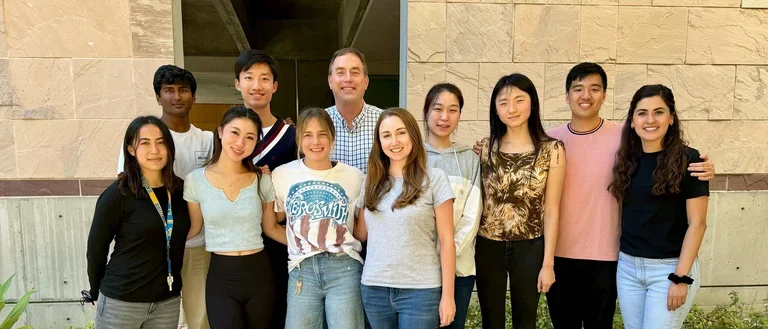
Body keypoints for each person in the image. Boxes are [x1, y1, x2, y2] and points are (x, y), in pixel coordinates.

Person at [472, 63, 716, 329]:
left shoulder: (626, 136)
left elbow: (662, 151)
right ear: (567, 96)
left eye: (594, 89)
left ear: (604, 95)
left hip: (606, 256)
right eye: (578, 89)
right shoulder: (547, 142)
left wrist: (701, 164)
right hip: (559, 254)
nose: (585, 96)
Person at [117, 65, 214, 329]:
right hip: (153, 248)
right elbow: (127, 191)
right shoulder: (142, 140)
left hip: (196, 244)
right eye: (169, 90)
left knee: (199, 318)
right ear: (158, 97)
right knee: (158, 319)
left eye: (183, 90)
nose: (177, 96)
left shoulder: (208, 141)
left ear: (194, 96)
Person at [610, 85, 708, 329]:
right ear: (632, 120)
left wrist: (680, 277)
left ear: (671, 118)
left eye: (659, 112)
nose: (650, 120)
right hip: (629, 268)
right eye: (642, 113)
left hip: (669, 268)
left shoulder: (690, 160)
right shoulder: (626, 159)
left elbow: (698, 224)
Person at [183, 105, 287, 329]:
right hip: (221, 278)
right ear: (220, 131)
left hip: (260, 276)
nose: (240, 143)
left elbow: (271, 228)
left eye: (250, 137)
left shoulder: (262, 179)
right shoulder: (195, 180)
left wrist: (313, 243)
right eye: (235, 132)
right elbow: (193, 228)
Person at [476, 74, 565, 329]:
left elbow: (552, 210)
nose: (511, 109)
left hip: (530, 246)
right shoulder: (486, 148)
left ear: (532, 102)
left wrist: (548, 263)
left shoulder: (552, 149)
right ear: (495, 108)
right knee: (491, 321)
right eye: (503, 102)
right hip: (488, 246)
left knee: (525, 322)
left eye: (519, 100)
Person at [353, 107, 456, 329]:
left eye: (401, 132)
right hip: (375, 289)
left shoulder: (434, 179)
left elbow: (447, 240)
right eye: (386, 135)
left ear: (413, 135)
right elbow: (360, 233)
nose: (394, 141)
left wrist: (448, 296)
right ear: (379, 142)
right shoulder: (370, 182)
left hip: (420, 291)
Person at [88, 116, 191, 329]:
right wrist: (95, 291)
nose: (154, 150)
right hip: (121, 302)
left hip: (167, 302)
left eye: (161, 142)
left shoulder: (181, 191)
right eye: (145, 143)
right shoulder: (119, 193)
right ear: (131, 149)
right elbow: (96, 247)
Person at [271, 108, 366, 329]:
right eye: (308, 135)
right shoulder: (282, 174)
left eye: (322, 134)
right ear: (299, 139)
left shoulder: (355, 177)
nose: (315, 141)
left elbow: (360, 231)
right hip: (301, 268)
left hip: (344, 267)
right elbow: (273, 223)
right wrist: (304, 242)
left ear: (332, 137)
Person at [234, 49, 298, 329]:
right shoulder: (227, 134)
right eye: (249, 77)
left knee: (275, 313)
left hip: (275, 242)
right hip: (235, 241)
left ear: (275, 86)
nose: (256, 85)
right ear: (238, 83)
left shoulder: (291, 137)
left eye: (264, 78)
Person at [421, 83, 482, 329]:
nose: (444, 117)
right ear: (426, 112)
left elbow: (472, 216)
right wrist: (427, 257)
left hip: (459, 269)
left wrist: (447, 254)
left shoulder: (470, 159)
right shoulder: (412, 158)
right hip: (418, 270)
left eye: (452, 110)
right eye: (437, 109)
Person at [324, 47, 384, 174]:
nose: (348, 79)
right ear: (330, 81)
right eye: (340, 72)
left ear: (366, 82)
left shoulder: (384, 122)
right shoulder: (319, 123)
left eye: (355, 72)